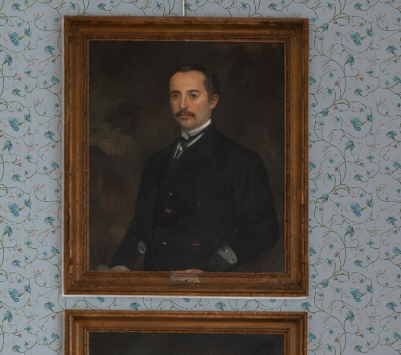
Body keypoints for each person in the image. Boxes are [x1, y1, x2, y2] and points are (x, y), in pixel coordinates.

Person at [109, 66, 280, 273]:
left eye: (193, 95)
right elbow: (142, 226)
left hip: (209, 283)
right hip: (155, 279)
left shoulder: (240, 160)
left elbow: (263, 229)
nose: (183, 105)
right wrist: (122, 263)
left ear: (213, 101)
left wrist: (212, 267)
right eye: (175, 95)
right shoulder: (155, 162)